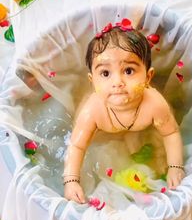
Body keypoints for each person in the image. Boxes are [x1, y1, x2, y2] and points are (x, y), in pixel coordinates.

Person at [63, 19, 185, 203]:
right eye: (105, 73)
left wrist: (175, 166)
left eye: (128, 71)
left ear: (148, 77)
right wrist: (71, 180)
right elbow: (77, 146)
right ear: (92, 80)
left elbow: (171, 133)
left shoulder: (154, 105)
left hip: (134, 125)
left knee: (151, 142)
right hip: (103, 130)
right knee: (91, 138)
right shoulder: (92, 112)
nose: (117, 82)